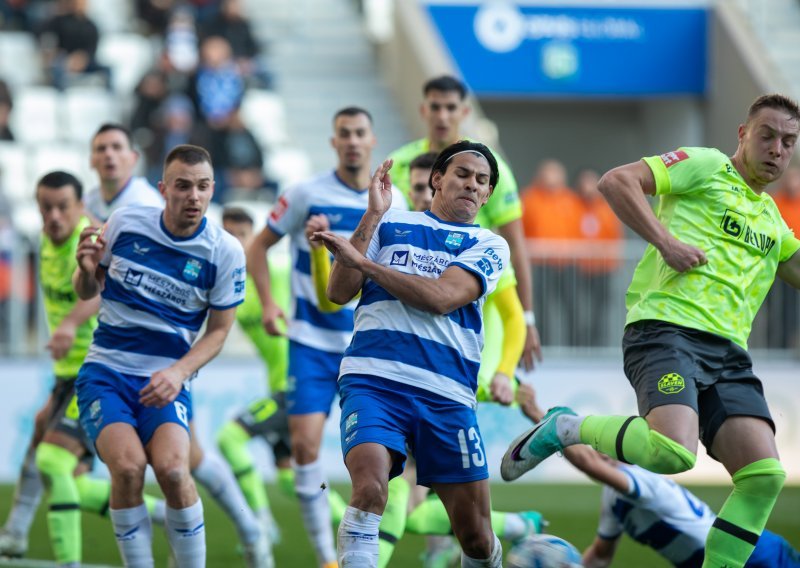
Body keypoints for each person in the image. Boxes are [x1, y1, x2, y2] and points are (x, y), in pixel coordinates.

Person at [502, 94, 800, 568]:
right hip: (667, 330)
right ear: (743, 135)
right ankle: (565, 427)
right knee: (671, 453)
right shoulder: (705, 166)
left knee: (763, 475)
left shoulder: (773, 222)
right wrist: (667, 243)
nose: (778, 149)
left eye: (789, 141)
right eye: (767, 135)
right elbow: (617, 181)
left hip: (728, 355)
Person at [313, 140, 510, 567]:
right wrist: (372, 215)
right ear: (437, 179)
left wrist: (367, 266)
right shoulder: (388, 223)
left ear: (489, 194)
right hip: (372, 381)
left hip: (446, 394)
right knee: (370, 488)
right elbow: (337, 291)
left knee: (476, 537)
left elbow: (442, 297)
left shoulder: (490, 245)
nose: (472, 185)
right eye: (463, 174)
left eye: (482, 181)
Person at [247, 106, 406, 568]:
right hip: (310, 343)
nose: (353, 141)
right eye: (344, 134)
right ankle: (327, 558)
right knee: (303, 449)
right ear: (333, 142)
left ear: (372, 140)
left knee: (384, 463)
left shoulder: (393, 202)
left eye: (360, 133)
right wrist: (270, 302)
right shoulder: (304, 194)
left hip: (367, 347)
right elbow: (259, 247)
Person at [73, 144, 245, 567]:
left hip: (167, 378)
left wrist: (179, 372)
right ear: (163, 188)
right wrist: (84, 269)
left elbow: (219, 332)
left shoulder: (224, 251)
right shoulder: (127, 223)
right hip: (106, 371)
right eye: (183, 186)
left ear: (212, 189)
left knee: (172, 471)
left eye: (203, 187)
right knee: (128, 469)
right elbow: (87, 291)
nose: (194, 196)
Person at [0, 172, 166, 564]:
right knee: (54, 462)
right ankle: (167, 515)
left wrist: (70, 324)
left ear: (80, 207)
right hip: (66, 374)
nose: (55, 216)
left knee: (52, 460)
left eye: (63, 207)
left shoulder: (92, 240)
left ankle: (61, 559)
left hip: (97, 371)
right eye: (46, 208)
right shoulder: (41, 238)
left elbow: (100, 288)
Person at [388, 75, 541, 370]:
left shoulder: (489, 169)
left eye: (450, 107)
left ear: (465, 112)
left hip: (471, 297)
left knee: (478, 386)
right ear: (424, 110)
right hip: (413, 288)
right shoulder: (400, 163)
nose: (442, 116)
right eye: (435, 107)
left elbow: (515, 246)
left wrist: (527, 318)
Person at [520, 159, 583, 346]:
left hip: (567, 263)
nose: (552, 178)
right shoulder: (529, 198)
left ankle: (575, 347)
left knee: (572, 307)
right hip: (540, 263)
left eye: (556, 173)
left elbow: (578, 229)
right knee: (543, 307)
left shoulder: (571, 200)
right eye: (548, 173)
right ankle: (543, 344)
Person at [573, 168, 623, 347]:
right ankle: (578, 345)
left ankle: (597, 344)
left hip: (603, 268)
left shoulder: (607, 209)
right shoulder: (573, 206)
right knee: (577, 310)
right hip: (578, 268)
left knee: (600, 311)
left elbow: (614, 236)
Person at [84, 123, 164, 224]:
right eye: (101, 149)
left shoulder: (148, 204)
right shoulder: (87, 202)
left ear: (134, 158)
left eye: (117, 147)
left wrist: (87, 217)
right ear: (91, 161)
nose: (108, 154)